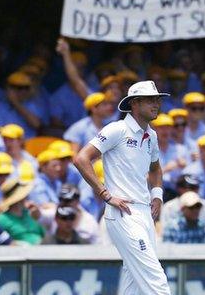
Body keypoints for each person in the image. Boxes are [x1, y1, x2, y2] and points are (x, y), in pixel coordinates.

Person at [73, 79, 171, 294]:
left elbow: (155, 169)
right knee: (155, 278)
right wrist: (105, 195)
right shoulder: (117, 129)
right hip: (122, 212)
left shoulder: (151, 135)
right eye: (149, 100)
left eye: (157, 100)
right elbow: (81, 158)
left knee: (133, 281)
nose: (156, 104)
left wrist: (157, 196)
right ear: (135, 104)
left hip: (145, 213)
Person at [0, 72, 49, 139]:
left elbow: (37, 125)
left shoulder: (33, 105)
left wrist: (16, 103)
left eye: (26, 88)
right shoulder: (0, 107)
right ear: (9, 89)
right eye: (19, 88)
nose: (23, 91)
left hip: (30, 144)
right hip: (8, 143)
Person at [0, 178, 44, 245]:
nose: (27, 197)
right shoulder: (1, 220)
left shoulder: (29, 214)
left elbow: (43, 235)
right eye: (25, 196)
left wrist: (38, 217)